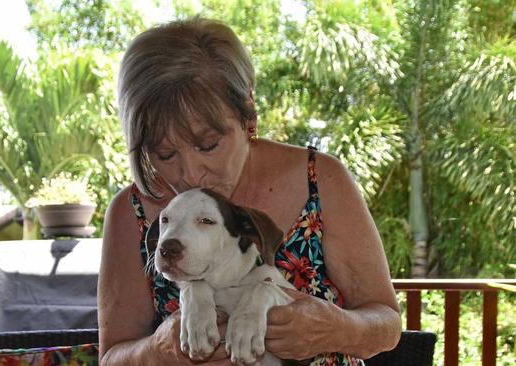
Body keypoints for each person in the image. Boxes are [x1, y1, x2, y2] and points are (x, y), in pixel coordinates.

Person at [98, 16, 401, 366]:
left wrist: (335, 328)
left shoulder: (320, 180)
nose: (190, 173)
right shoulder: (131, 210)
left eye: (208, 145)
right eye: (165, 154)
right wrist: (158, 351)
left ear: (249, 116)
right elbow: (111, 358)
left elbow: (387, 324)